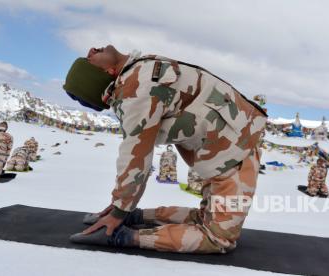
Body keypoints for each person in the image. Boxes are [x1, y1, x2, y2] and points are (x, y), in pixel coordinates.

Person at [64, 45, 267, 253]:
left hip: (226, 148)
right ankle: (121, 236)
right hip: (236, 150)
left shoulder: (137, 71)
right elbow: (135, 156)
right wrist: (119, 211)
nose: (92, 50)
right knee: (218, 238)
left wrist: (122, 209)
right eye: (89, 60)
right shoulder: (135, 91)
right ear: (108, 72)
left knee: (204, 219)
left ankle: (136, 217)